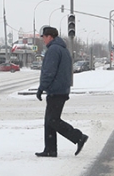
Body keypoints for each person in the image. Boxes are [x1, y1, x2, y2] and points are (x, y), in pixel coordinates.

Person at [35, 26, 88, 158]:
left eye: (44, 37)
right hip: (61, 89)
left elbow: (49, 71)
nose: (43, 40)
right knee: (49, 120)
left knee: (53, 120)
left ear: (49, 37)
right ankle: (50, 149)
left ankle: (78, 137)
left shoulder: (53, 50)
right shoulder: (63, 49)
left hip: (56, 90)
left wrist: (42, 87)